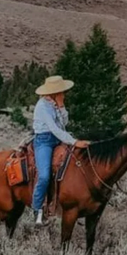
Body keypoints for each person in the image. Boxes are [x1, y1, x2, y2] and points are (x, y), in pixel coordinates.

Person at [32, 75, 89, 225]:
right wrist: (74, 142)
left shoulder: (55, 104)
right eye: (61, 92)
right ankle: (36, 209)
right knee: (44, 175)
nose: (63, 94)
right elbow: (54, 128)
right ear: (54, 92)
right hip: (44, 141)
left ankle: (73, 203)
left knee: (75, 164)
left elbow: (64, 123)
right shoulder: (42, 106)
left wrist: (62, 106)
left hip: (58, 138)